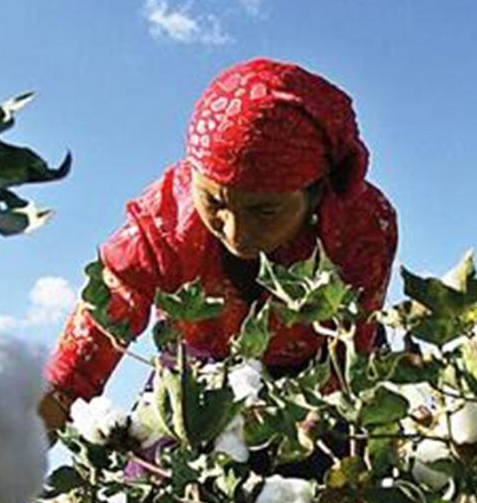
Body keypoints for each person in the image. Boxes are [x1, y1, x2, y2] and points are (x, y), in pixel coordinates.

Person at [41, 58, 398, 430]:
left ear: (315, 192)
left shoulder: (365, 228)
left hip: (316, 380)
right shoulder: (161, 223)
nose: (235, 233)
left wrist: (300, 437)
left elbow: (351, 354)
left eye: (264, 210)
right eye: (214, 203)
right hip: (195, 380)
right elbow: (77, 365)